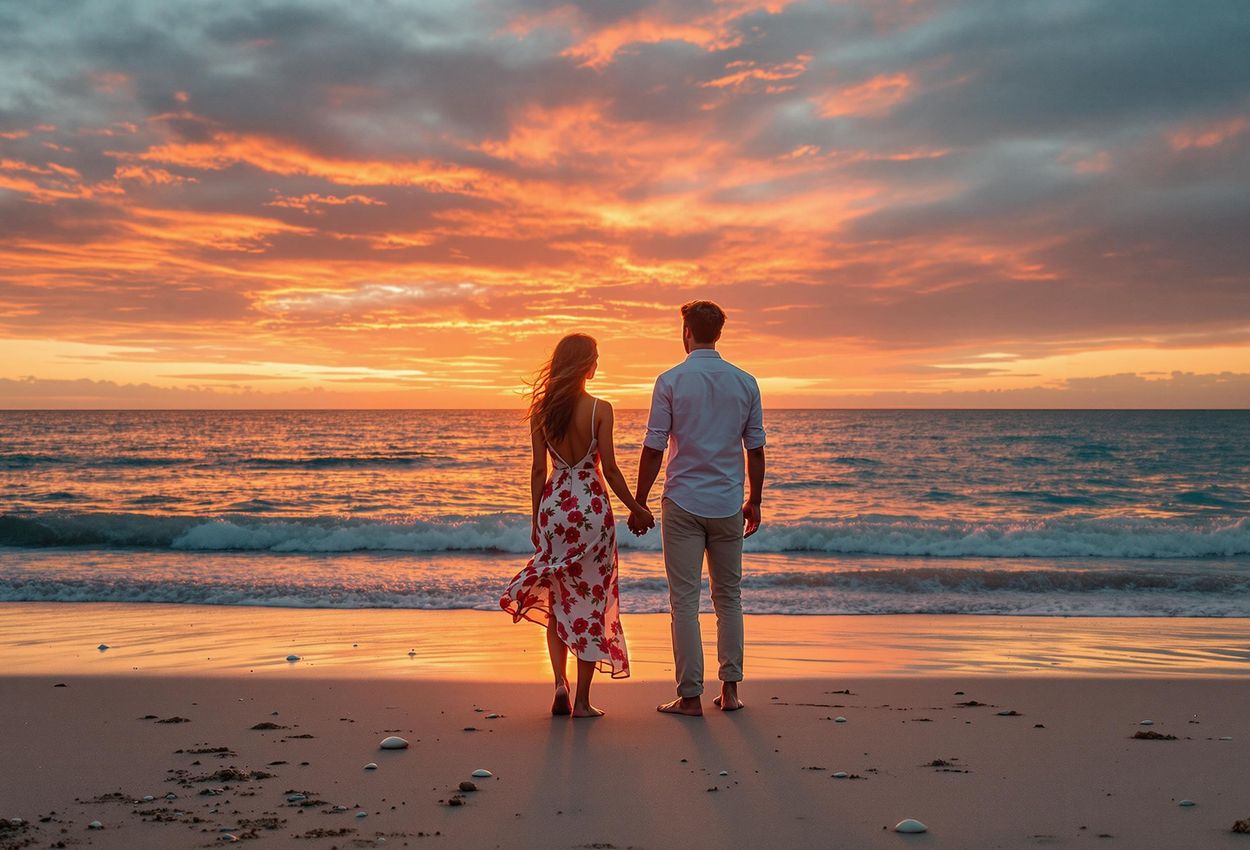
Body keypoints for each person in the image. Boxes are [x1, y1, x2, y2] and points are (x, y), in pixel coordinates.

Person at [500, 333, 651, 717]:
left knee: (558, 599)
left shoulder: (542, 410)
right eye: (595, 358)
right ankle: (582, 701)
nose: (597, 364)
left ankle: (558, 684)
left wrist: (537, 517)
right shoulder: (601, 408)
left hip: (554, 507)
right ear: (586, 364)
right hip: (591, 510)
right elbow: (612, 470)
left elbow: (537, 469)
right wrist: (637, 507)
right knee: (591, 602)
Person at [630, 300, 766, 716]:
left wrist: (639, 501)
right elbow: (755, 449)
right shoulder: (745, 382)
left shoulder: (670, 380)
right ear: (718, 334)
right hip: (727, 503)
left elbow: (654, 447)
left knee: (684, 602)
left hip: (683, 502)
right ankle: (730, 692)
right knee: (729, 598)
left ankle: (690, 696)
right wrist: (754, 500)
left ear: (686, 331)